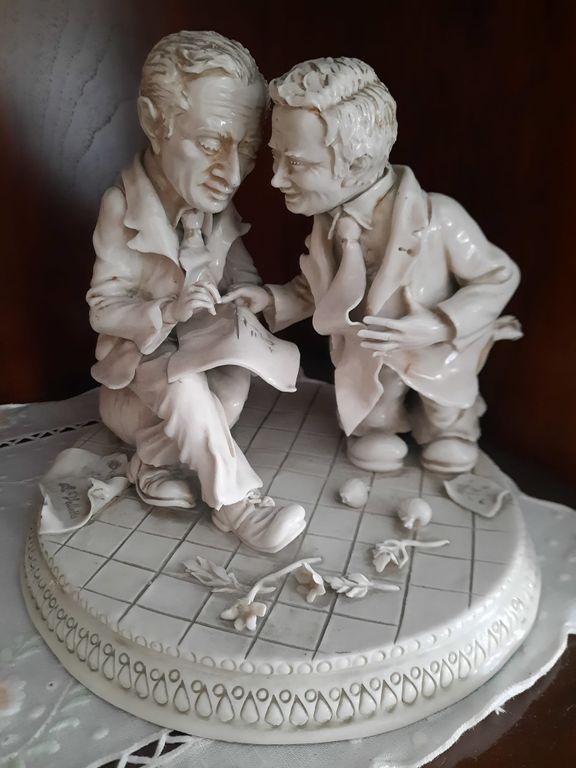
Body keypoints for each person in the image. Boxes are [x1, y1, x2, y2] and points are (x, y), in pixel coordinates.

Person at [224, 57, 522, 474]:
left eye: (297, 163)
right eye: (277, 157)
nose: (276, 178)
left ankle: (449, 428)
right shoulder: (327, 224)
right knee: (375, 409)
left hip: (434, 351)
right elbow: (317, 286)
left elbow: (498, 277)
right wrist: (271, 300)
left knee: (444, 404)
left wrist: (439, 325)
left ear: (358, 165)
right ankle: (380, 425)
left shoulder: (440, 217)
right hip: (369, 355)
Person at [86, 31, 305, 553]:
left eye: (246, 151)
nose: (230, 174)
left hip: (198, 352)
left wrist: (247, 298)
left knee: (228, 392)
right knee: (184, 388)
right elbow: (102, 308)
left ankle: (151, 463)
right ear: (153, 122)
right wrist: (167, 310)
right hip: (138, 365)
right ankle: (237, 504)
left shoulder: (213, 207)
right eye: (210, 145)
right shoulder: (121, 206)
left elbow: (242, 275)